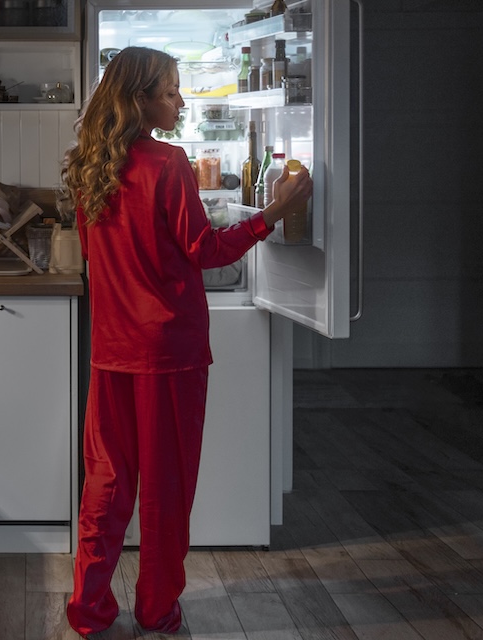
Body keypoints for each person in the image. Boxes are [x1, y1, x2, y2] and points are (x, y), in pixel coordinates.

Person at [61, 46, 313, 638]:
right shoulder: (168, 163)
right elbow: (205, 251)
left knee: (106, 481)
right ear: (140, 99)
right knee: (165, 491)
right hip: (169, 353)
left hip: (110, 349)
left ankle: (89, 609)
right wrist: (273, 211)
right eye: (171, 91)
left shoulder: (87, 163)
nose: (180, 101)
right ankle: (156, 610)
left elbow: (97, 255)